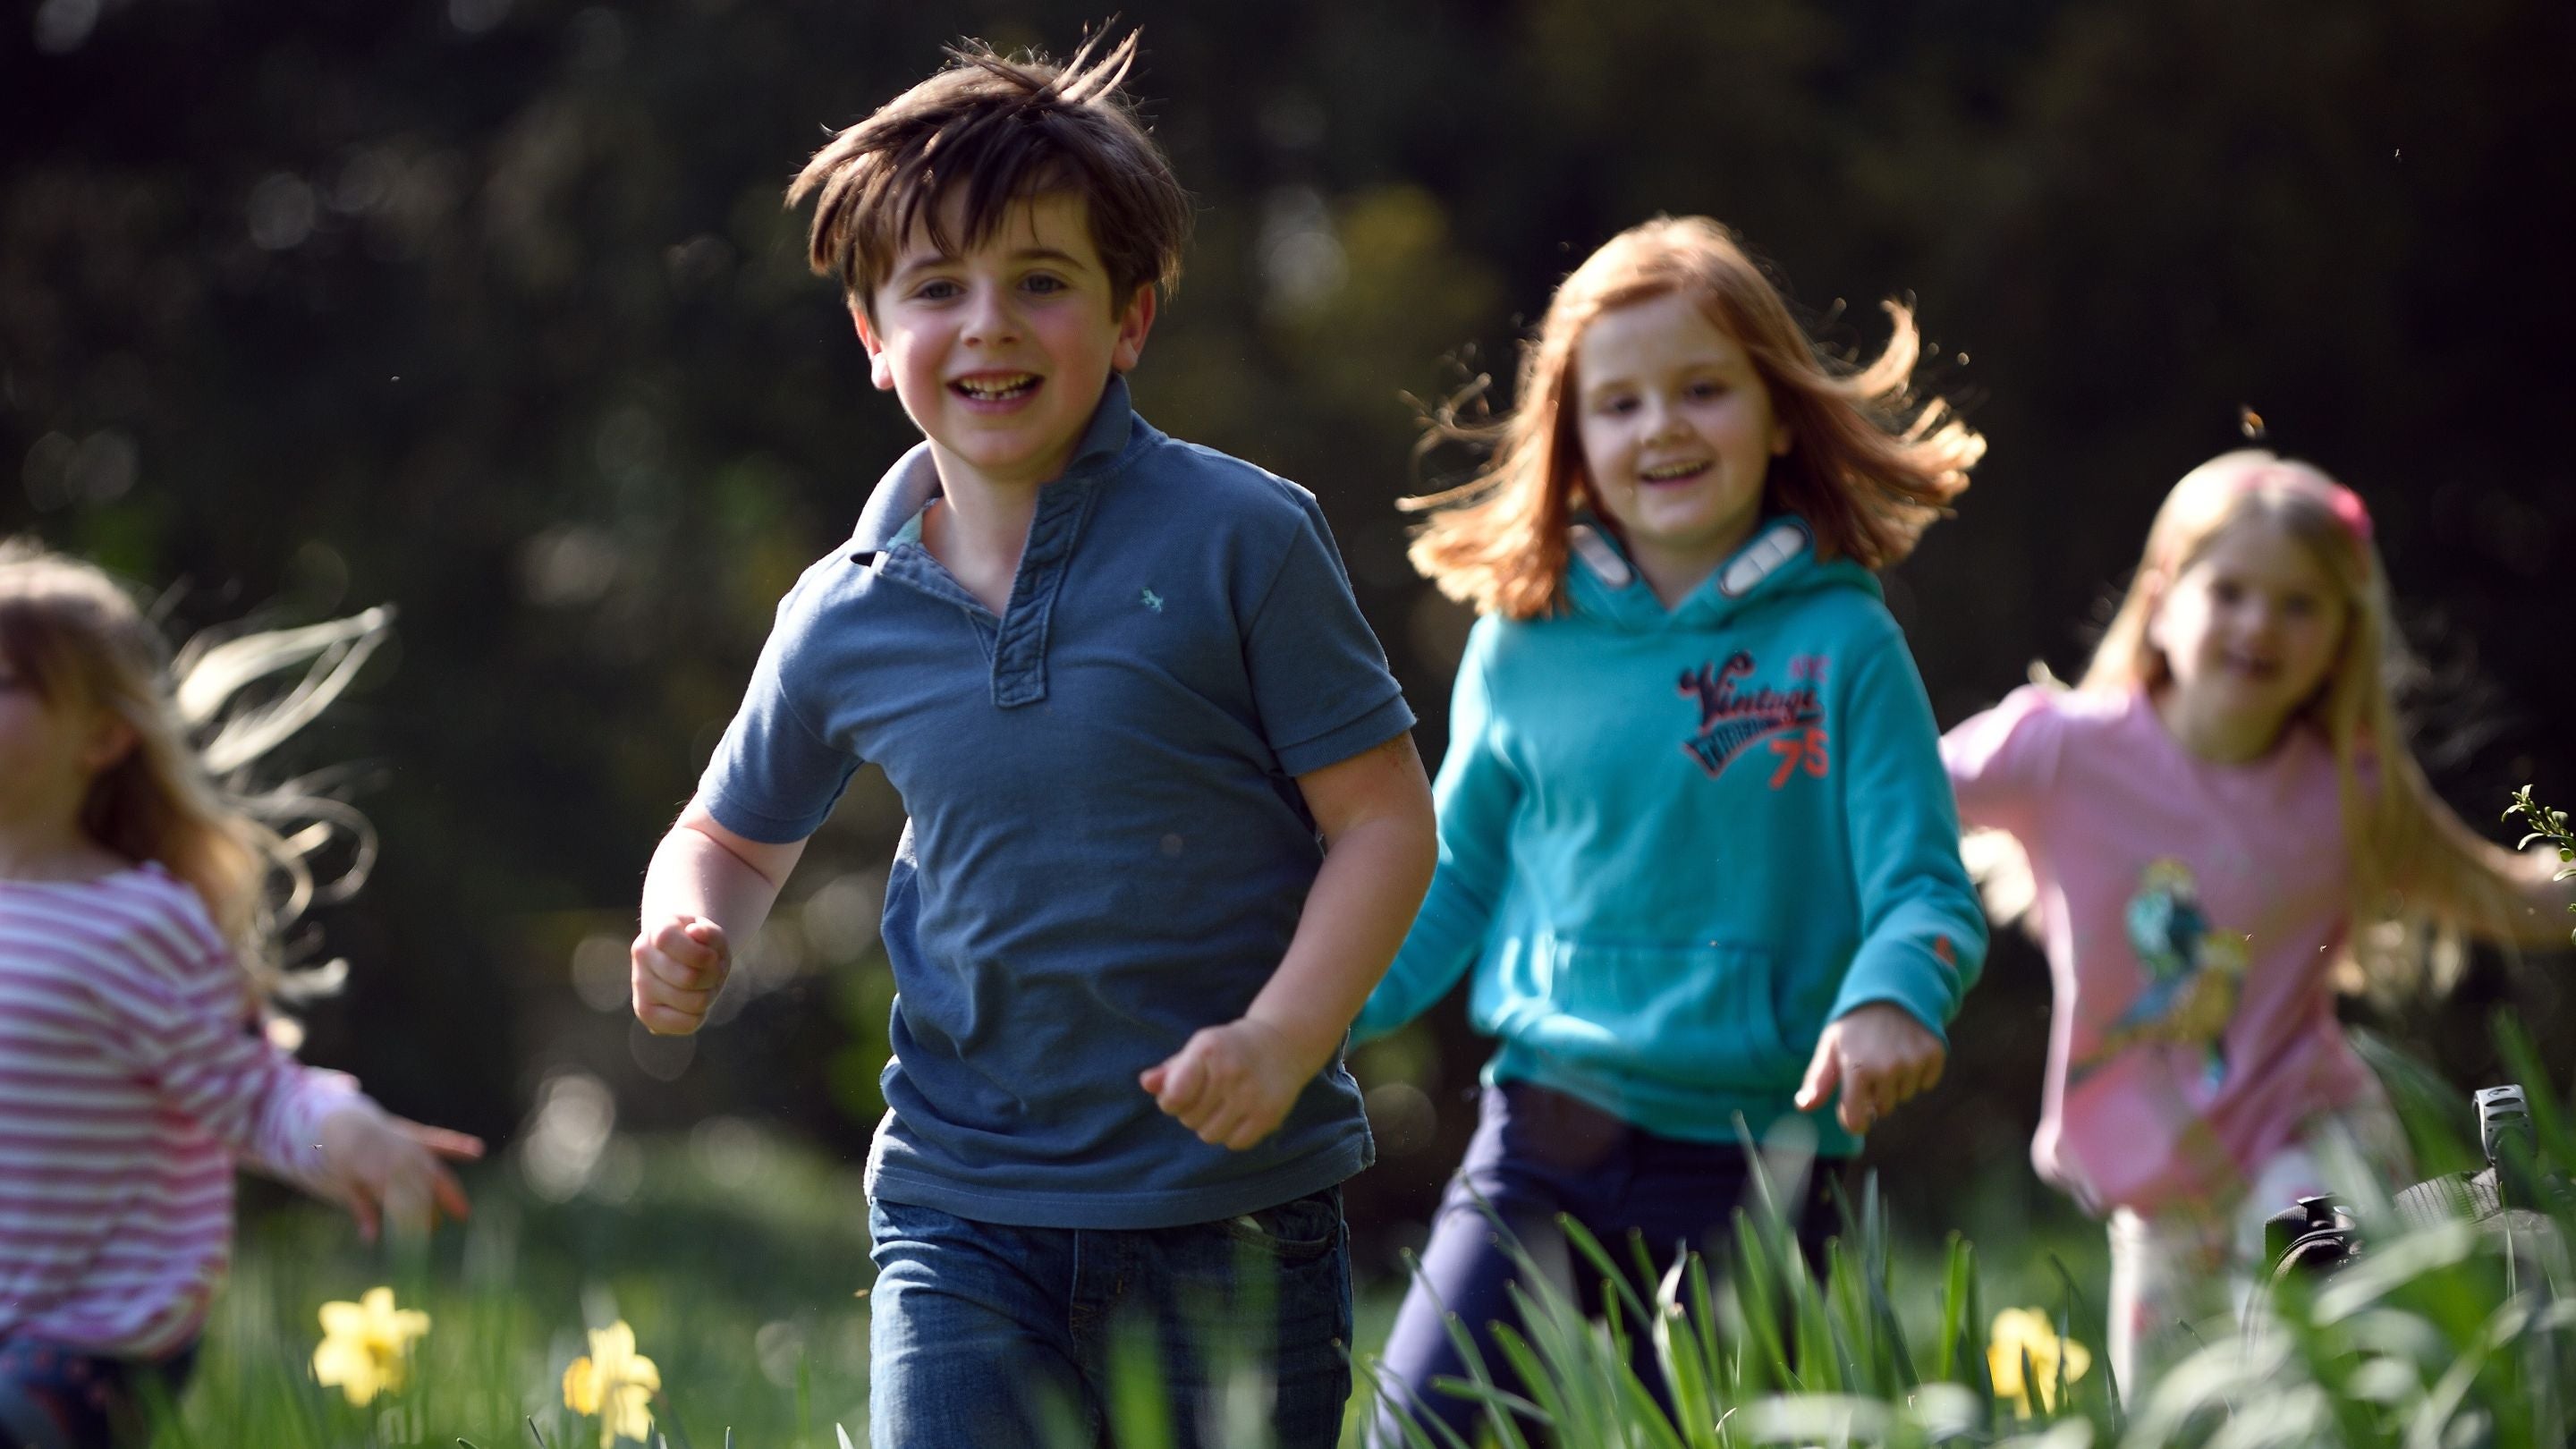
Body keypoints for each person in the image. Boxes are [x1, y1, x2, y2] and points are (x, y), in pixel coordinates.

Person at [624, 31, 1436, 1449]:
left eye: (1040, 284)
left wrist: (1284, 1035)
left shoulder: (1245, 537)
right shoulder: (842, 612)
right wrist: (689, 925)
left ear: (1130, 320)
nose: (987, 324)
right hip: (961, 1208)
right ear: (875, 338)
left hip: (1231, 1213)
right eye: (938, 288)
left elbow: (1383, 822)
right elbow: (728, 837)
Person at [1355, 216, 1989, 1445]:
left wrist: (1892, 997)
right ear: (1574, 441)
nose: (1664, 427)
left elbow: (1924, 887)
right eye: (1622, 402)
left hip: (1769, 1163)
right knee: (1425, 1432)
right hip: (1538, 1141)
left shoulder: (1844, 644)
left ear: (1781, 410)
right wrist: (1306, 1016)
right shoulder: (1520, 643)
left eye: (1704, 388)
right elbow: (1453, 880)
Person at [1940, 449, 2575, 1400]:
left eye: (2299, 604)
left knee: (2303, 1270)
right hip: (2158, 1190)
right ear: (2163, 595)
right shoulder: (2059, 751)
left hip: (2308, 1134)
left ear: (2341, 636)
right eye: (2230, 590)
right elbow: (1891, 794)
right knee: (2171, 1410)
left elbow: (2503, 896)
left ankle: (2394, 1296)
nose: (2259, 625)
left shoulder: (2346, 794)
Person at [0, 541, 480, 1449]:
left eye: (5, 684)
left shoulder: (133, 923)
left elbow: (253, 1091)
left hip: (89, 1340)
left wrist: (340, 1128)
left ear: (102, 736)